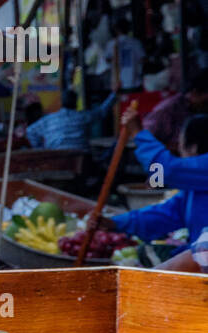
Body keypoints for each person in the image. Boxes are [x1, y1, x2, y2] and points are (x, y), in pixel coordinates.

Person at [103, 111, 208, 252]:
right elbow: (166, 214)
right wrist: (116, 223)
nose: (178, 149)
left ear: (193, 147)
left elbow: (165, 169)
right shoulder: (193, 189)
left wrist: (138, 134)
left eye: (180, 143)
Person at [24, 89, 117, 150]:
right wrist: (114, 94)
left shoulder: (48, 120)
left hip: (55, 160)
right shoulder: (82, 117)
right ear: (76, 103)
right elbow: (101, 112)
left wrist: (41, 149)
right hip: (81, 163)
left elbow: (29, 131)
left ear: (61, 103)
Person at [145, 69, 208, 150]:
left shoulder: (199, 111)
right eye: (206, 102)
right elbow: (145, 141)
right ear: (195, 93)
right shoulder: (167, 109)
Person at [103, 19, 146, 91]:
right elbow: (143, 59)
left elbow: (107, 60)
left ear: (116, 29)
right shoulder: (135, 43)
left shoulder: (111, 44)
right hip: (134, 82)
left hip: (118, 84)